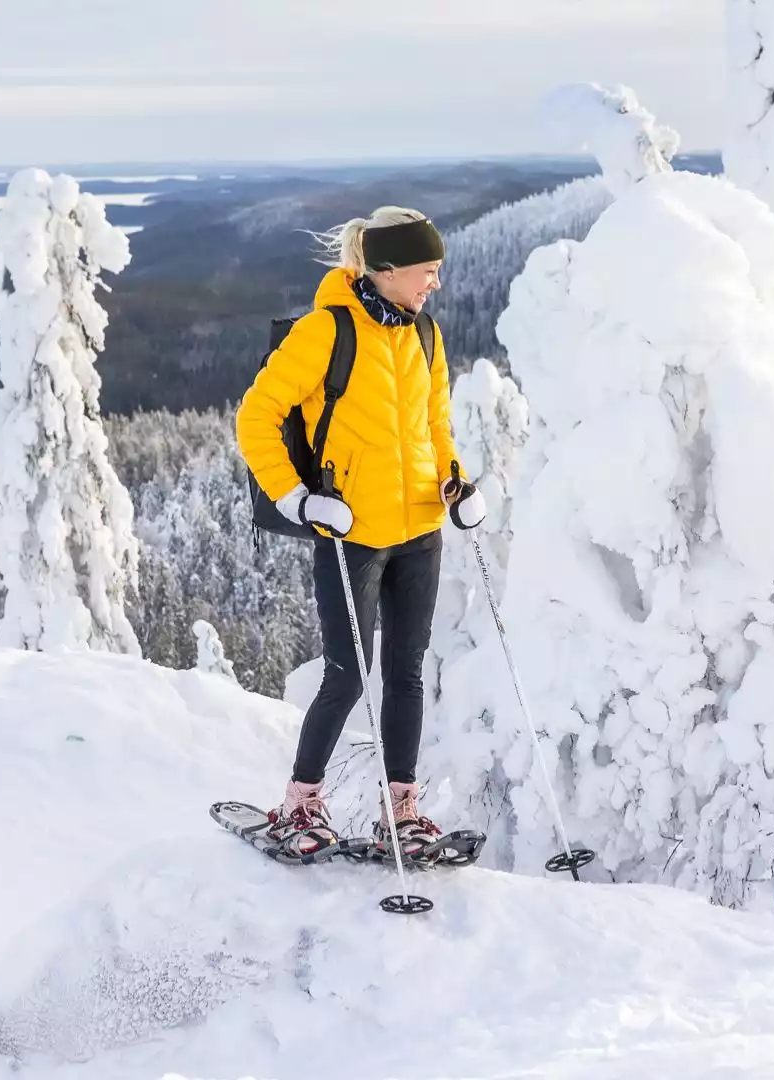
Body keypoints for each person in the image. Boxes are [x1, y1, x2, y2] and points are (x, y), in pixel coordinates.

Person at [235, 206, 488, 862]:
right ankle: (300, 806)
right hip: (353, 532)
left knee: (406, 673)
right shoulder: (327, 332)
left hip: (420, 530)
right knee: (348, 673)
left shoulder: (425, 336)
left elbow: (436, 431)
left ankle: (400, 813)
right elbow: (256, 416)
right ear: (387, 270)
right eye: (427, 271)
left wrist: (456, 484)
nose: (435, 282)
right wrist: (299, 500)